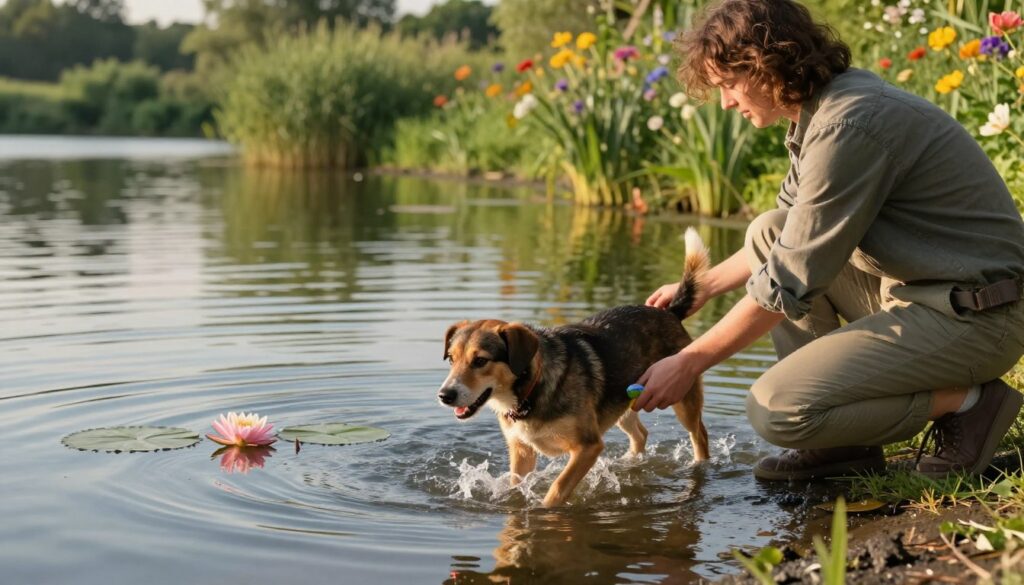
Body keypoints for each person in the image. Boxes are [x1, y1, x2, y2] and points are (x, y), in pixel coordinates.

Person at [632, 0, 1024, 481]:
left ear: (767, 63)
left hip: (979, 318)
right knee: (769, 228)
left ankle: (969, 404)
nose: (727, 102)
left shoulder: (848, 124)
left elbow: (788, 281)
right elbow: (787, 237)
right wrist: (699, 289)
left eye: (729, 84)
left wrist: (689, 362)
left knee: (775, 409)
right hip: (925, 295)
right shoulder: (822, 111)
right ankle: (840, 446)